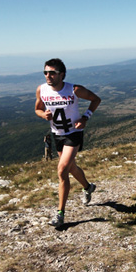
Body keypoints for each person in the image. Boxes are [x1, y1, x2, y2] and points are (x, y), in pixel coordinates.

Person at [35, 58, 101, 229]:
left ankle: (60, 214)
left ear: (61, 74)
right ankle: (88, 187)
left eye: (52, 73)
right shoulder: (41, 90)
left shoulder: (74, 89)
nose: (48, 75)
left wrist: (86, 117)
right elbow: (37, 108)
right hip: (57, 134)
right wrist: (43, 115)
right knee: (71, 167)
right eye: (45, 72)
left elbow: (96, 100)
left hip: (74, 134)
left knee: (62, 169)